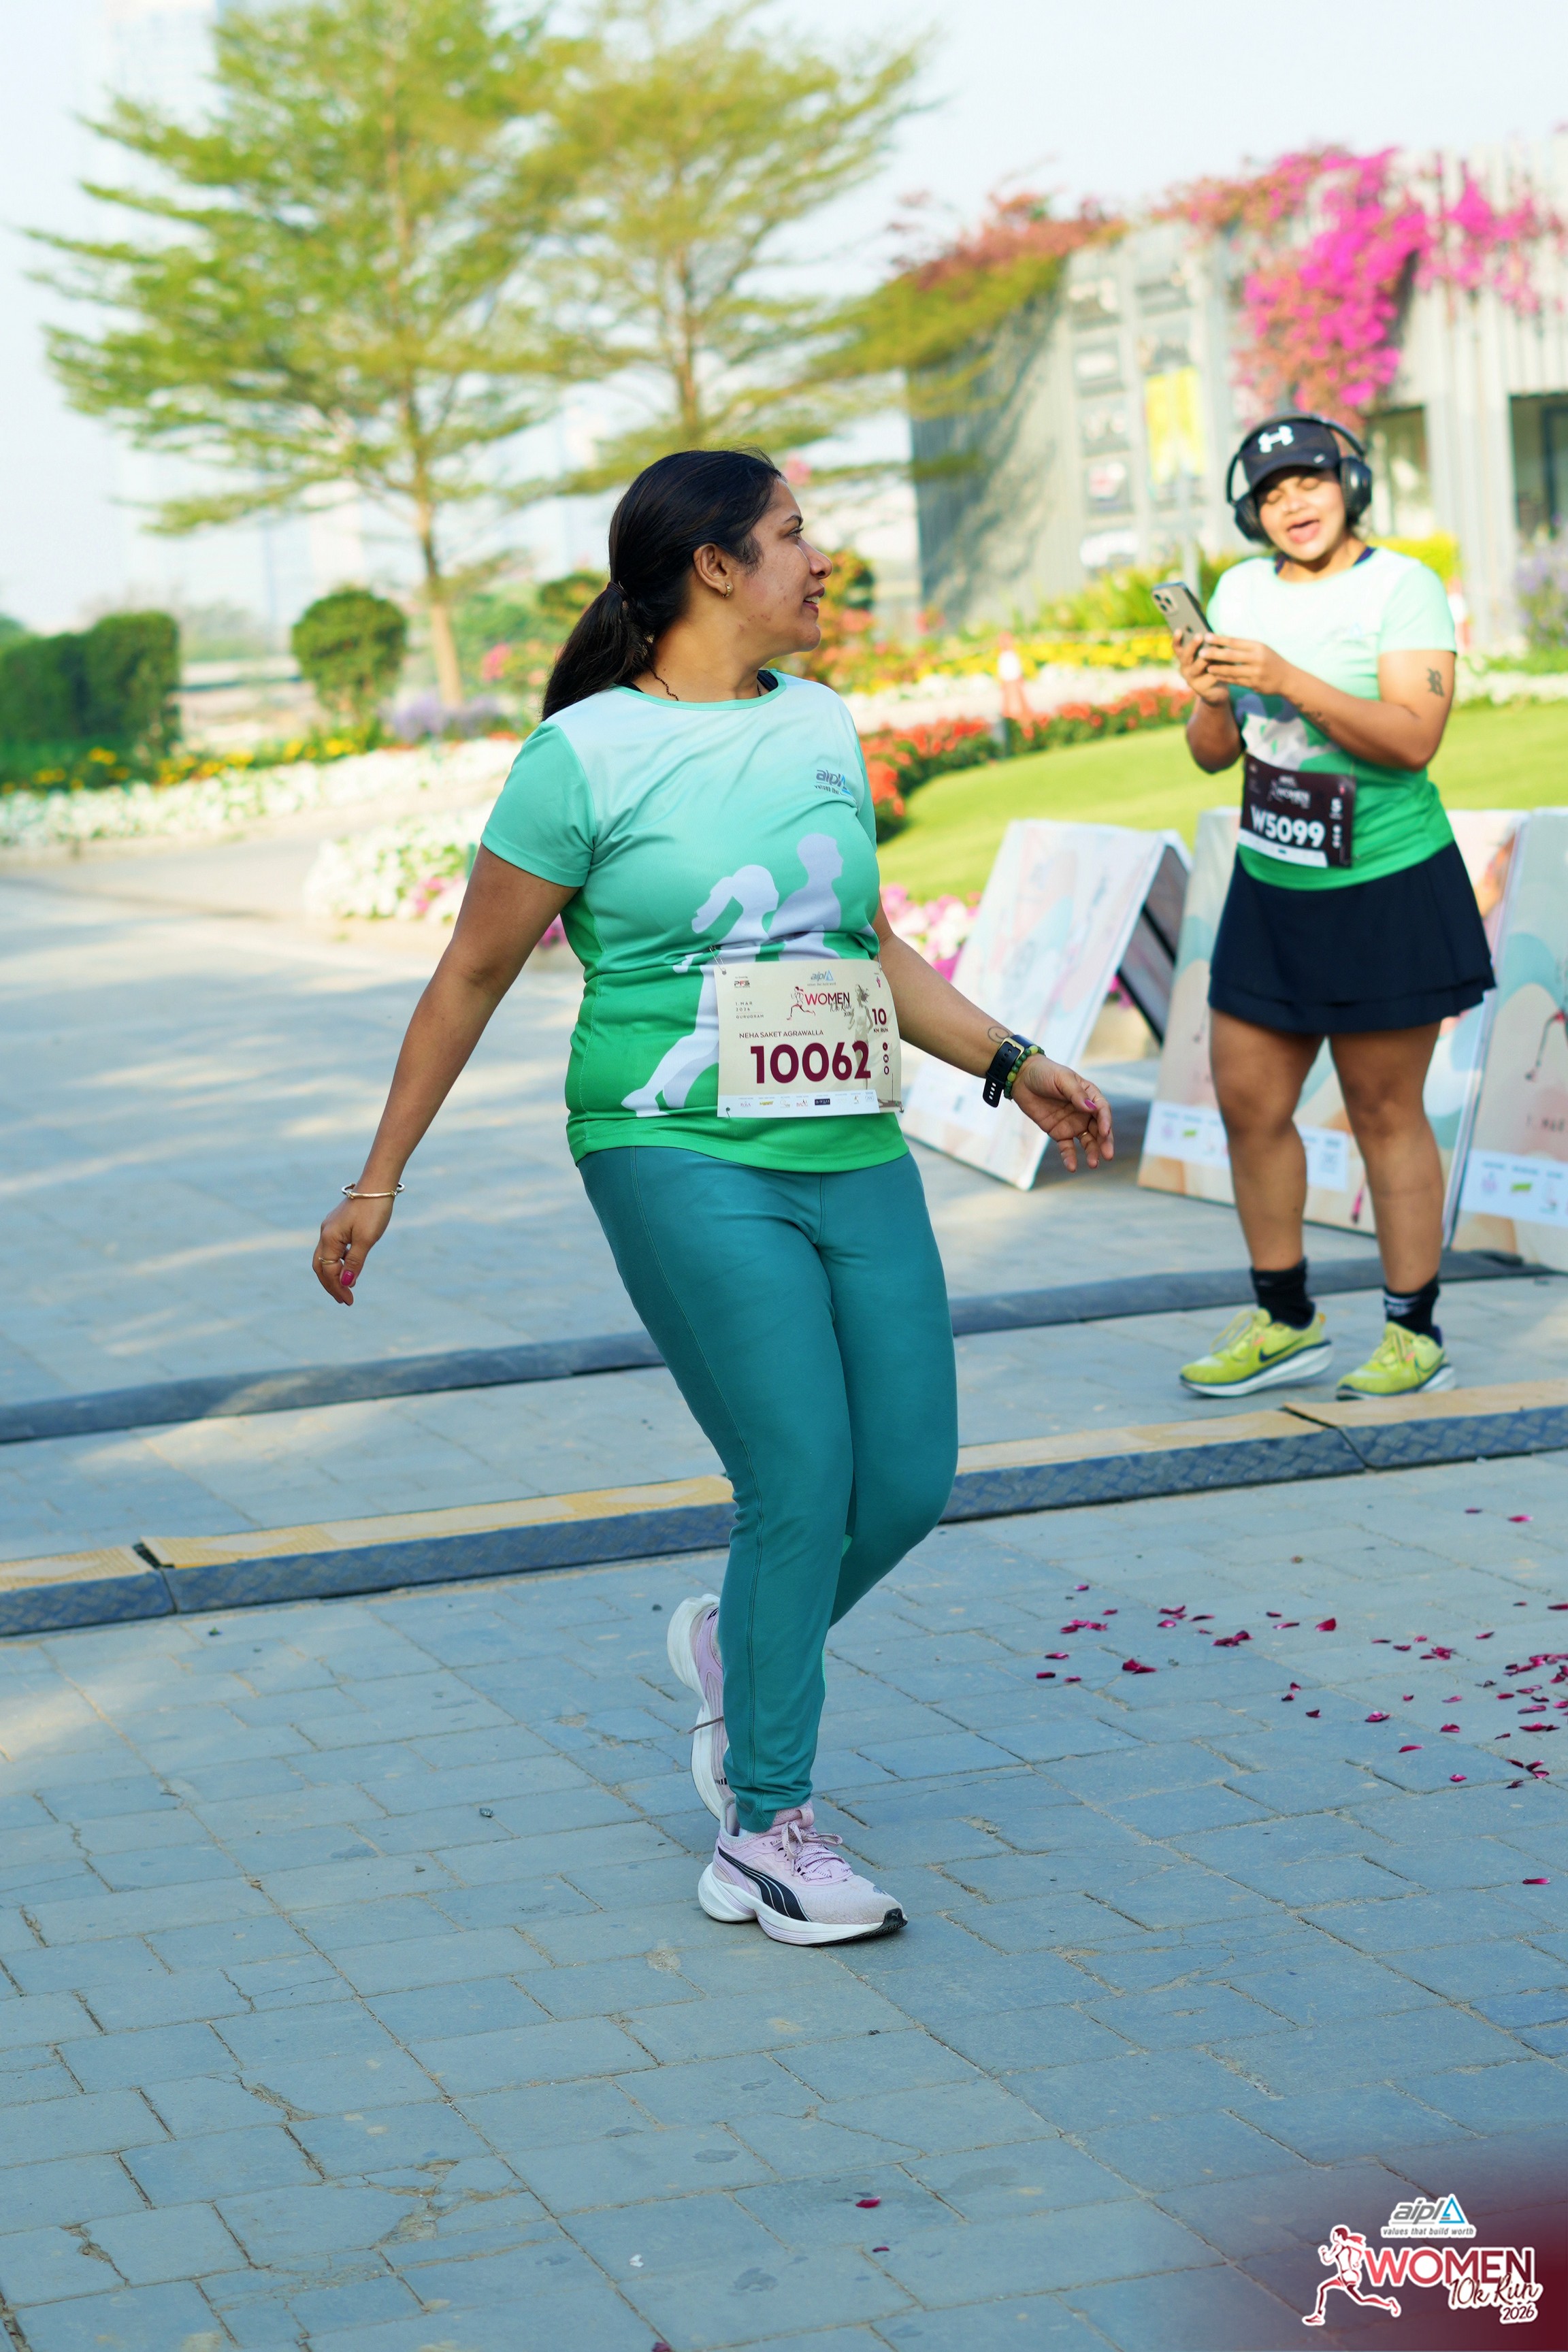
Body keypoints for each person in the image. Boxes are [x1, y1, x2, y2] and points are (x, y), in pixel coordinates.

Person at [311, 448, 1114, 1946]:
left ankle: (738, 1653)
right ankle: (764, 1829)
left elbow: (863, 941)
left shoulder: (819, 720)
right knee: (800, 1477)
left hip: (849, 1137)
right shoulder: (582, 757)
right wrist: (380, 1178)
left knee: (906, 1480)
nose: (825, 559)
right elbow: (472, 973)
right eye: (798, 535)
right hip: (670, 1141)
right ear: (716, 567)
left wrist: (1014, 1063)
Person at [1170, 412, 1493, 1403]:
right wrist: (1212, 696)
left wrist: (1287, 679)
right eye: (1271, 494)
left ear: (1349, 485)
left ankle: (1413, 1333)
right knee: (1248, 1102)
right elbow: (1213, 755)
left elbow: (1413, 739)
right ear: (1251, 514)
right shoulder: (1239, 590)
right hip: (1272, 887)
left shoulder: (1401, 587)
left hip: (1385, 886)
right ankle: (1285, 1318)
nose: (1293, 504)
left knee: (1384, 1111)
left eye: (1310, 481)